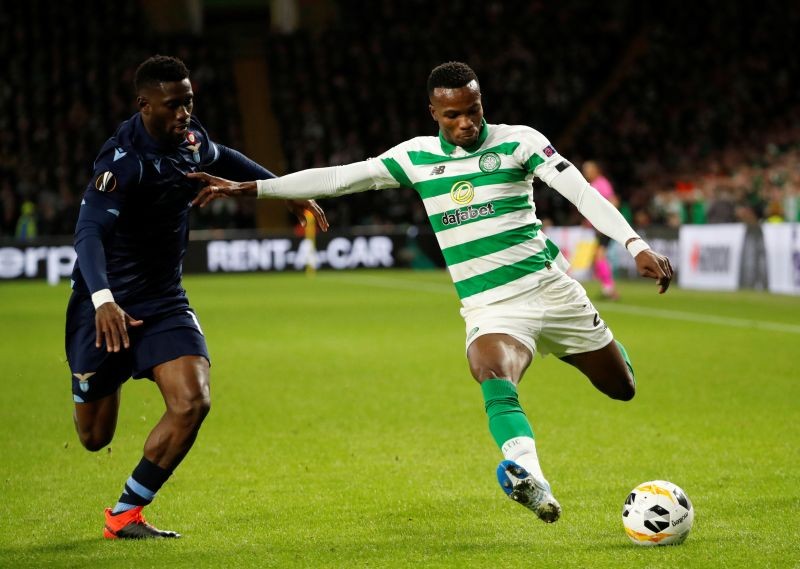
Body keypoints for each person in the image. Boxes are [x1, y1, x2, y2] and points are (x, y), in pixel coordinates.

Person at [188, 61, 673, 524]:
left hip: (552, 290)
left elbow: (582, 193)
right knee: (491, 374)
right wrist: (249, 188)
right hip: (492, 306)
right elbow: (339, 178)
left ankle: (582, 352)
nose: (465, 123)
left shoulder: (520, 143)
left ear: (483, 103)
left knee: (622, 387)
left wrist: (634, 243)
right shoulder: (415, 158)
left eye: (473, 111)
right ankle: (533, 480)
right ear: (434, 114)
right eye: (453, 115)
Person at [66, 55, 327, 540]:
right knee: (93, 436)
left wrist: (279, 188)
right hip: (105, 307)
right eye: (173, 105)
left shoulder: (187, 138)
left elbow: (220, 153)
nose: (185, 112)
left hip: (164, 299)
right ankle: (114, 369)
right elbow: (87, 233)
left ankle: (125, 515)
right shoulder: (123, 163)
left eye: (188, 101)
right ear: (144, 105)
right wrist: (102, 299)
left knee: (192, 401)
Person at [581, 160, 620, 300]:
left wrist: (605, 220)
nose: (586, 172)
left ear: (596, 170)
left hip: (605, 227)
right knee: (597, 258)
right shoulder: (592, 185)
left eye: (589, 169)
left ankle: (610, 290)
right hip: (599, 227)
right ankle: (607, 288)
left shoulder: (602, 183)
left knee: (599, 256)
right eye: (584, 169)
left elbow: (614, 201)